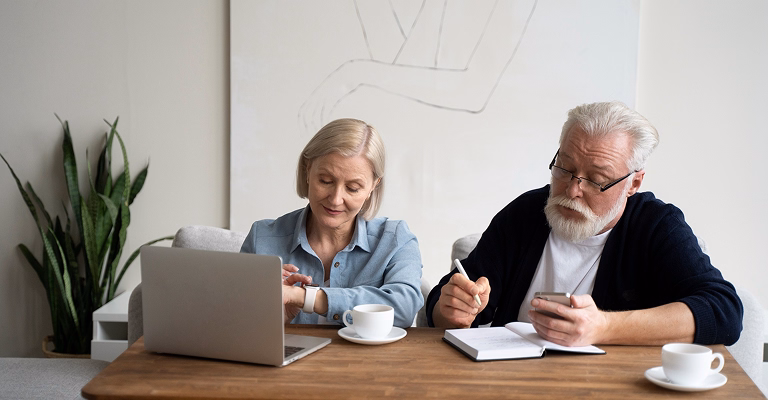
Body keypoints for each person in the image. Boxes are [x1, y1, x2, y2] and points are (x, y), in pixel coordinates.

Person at [427, 101, 743, 346]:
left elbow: (724, 312)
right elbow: (444, 301)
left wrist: (603, 327)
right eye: (564, 168)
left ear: (633, 183)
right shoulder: (526, 213)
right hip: (513, 381)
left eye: (597, 180)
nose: (573, 190)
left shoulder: (656, 226)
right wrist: (451, 309)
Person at [241, 118, 423, 328]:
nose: (336, 199)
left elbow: (403, 309)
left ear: (373, 185)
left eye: (353, 188)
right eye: (325, 181)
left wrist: (302, 297)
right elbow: (233, 322)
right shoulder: (262, 238)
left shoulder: (396, 239)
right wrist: (272, 320)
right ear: (307, 170)